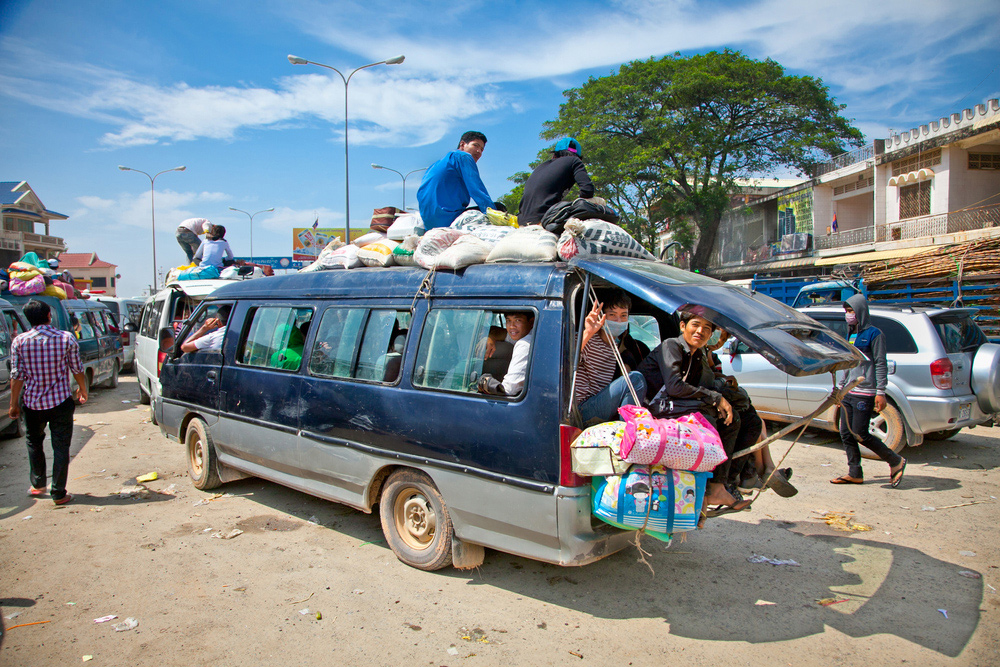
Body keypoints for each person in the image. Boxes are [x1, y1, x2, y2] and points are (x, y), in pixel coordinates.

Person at [637, 310, 749, 515]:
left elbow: (701, 385)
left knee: (733, 419)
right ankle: (708, 492)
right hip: (654, 406)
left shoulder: (697, 354)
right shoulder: (672, 346)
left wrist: (720, 385)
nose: (701, 331)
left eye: (707, 329)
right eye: (696, 325)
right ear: (682, 326)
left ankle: (724, 484)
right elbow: (674, 387)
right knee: (708, 422)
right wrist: (715, 398)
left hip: (673, 403)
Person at [8, 299, 88, 505]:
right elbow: (77, 368)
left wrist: (13, 404)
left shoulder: (19, 341)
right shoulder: (66, 338)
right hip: (60, 402)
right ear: (48, 316)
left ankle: (38, 484)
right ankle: (58, 493)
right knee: (61, 446)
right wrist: (83, 390)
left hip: (32, 402)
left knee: (34, 442)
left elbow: (17, 376)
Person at [832, 294, 906, 487]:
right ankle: (854, 472)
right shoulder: (852, 334)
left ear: (861, 312)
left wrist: (880, 391)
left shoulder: (875, 334)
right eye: (847, 311)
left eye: (851, 311)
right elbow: (849, 363)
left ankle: (895, 461)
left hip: (865, 391)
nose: (849, 315)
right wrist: (840, 388)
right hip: (849, 391)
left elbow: (881, 363)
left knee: (860, 433)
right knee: (846, 434)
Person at [573, 291, 647, 426]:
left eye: (623, 316)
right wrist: (588, 332)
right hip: (582, 410)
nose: (619, 321)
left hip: (601, 404)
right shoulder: (586, 339)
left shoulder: (619, 347)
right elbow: (565, 363)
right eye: (612, 315)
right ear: (602, 316)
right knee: (635, 379)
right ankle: (629, 435)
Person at [416, 131, 497, 230]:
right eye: (476, 145)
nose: (479, 151)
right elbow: (476, 189)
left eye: (482, 149)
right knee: (494, 210)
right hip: (448, 218)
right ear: (462, 144)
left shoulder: (438, 163)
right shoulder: (464, 157)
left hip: (429, 222)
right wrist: (495, 215)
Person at [518, 137, 595, 225]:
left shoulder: (540, 167)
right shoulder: (575, 161)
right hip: (544, 218)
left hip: (522, 220)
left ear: (554, 156)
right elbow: (587, 190)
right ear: (579, 158)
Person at [478, 312, 533, 396]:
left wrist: (485, 382)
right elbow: (499, 331)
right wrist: (490, 337)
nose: (511, 326)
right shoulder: (526, 334)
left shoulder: (525, 344)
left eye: (518, 320)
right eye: (508, 321)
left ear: (531, 322)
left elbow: (509, 389)